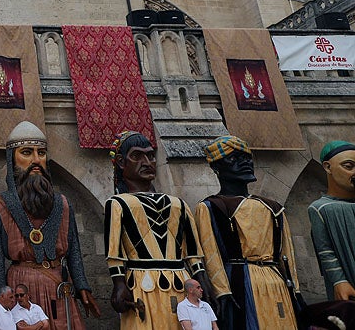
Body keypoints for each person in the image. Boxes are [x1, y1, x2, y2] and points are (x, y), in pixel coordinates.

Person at [0, 121, 99, 328]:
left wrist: (83, 286)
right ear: (13, 159)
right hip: (20, 287)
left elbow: (74, 250)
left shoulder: (62, 204)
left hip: (59, 287)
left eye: (42, 153)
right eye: (27, 153)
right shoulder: (1, 205)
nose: (36, 160)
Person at [195, 135, 301, 328]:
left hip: (276, 280)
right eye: (234, 159)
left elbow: (287, 254)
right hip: (240, 281)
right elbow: (211, 254)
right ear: (216, 167)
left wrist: (296, 290)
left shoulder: (273, 207)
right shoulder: (211, 207)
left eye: (247, 158)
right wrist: (222, 292)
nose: (245, 163)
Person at [104, 131, 207, 330]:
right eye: (137, 156)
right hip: (142, 285)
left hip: (182, 283)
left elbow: (193, 252)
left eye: (150, 156)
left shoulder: (179, 204)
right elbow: (114, 251)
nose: (147, 162)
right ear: (121, 162)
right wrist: (118, 284)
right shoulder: (117, 204)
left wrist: (202, 280)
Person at [309, 140, 355, 301]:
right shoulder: (321, 208)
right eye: (348, 166)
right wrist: (339, 280)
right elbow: (325, 250)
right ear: (328, 167)